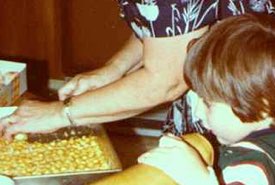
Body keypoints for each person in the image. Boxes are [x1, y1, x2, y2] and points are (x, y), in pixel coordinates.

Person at [0, 1, 274, 139]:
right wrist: (113, 68)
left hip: (245, 93)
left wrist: (60, 113)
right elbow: (166, 25)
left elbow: (166, 80)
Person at [138, 13, 275, 185]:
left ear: (263, 106)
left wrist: (197, 179)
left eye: (208, 104)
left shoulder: (249, 169)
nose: (198, 113)